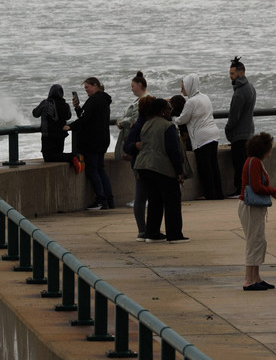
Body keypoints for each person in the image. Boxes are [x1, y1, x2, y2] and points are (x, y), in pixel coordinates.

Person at [133, 97, 187, 243]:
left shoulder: (146, 124)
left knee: (154, 200)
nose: (171, 111)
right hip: (161, 167)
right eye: (169, 108)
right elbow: (172, 150)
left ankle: (152, 233)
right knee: (172, 200)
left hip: (143, 166)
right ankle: (174, 235)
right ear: (162, 111)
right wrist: (179, 172)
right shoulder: (167, 126)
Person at [239, 132, 276, 290]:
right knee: (254, 241)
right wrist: (273, 191)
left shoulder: (252, 161)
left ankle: (255, 277)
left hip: (250, 206)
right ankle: (248, 280)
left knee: (258, 240)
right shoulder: (255, 162)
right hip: (251, 207)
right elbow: (257, 187)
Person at [65, 77, 114, 210]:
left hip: (92, 141)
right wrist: (77, 107)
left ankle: (100, 200)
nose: (86, 90)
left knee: (93, 170)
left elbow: (84, 119)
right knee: (100, 169)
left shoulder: (94, 100)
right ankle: (109, 200)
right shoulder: (104, 100)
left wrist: (70, 127)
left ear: (95, 85)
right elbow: (87, 116)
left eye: (87, 87)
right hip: (103, 139)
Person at [175, 74, 224, 200]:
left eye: (183, 87)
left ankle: (210, 194)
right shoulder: (205, 97)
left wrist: (172, 119)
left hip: (202, 138)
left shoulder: (191, 102)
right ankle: (218, 193)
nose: (181, 90)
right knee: (214, 166)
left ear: (189, 86)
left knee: (205, 167)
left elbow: (182, 119)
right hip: (213, 134)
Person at [115, 71, 150, 232]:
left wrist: (122, 122)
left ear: (140, 85)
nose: (131, 89)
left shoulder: (143, 102)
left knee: (140, 182)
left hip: (137, 148)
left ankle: (143, 228)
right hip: (134, 146)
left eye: (133, 86)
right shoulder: (140, 101)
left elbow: (134, 119)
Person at [226, 57, 257, 196]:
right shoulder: (251, 88)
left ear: (241, 73)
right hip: (249, 131)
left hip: (239, 135)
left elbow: (234, 117)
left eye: (232, 74)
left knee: (239, 165)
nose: (230, 77)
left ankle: (240, 190)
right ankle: (246, 189)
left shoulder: (239, 93)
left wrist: (228, 129)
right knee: (245, 164)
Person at [32, 84, 73, 163]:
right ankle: (73, 157)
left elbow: (35, 114)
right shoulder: (65, 105)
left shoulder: (46, 103)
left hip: (48, 136)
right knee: (58, 155)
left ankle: (73, 156)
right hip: (61, 135)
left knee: (48, 158)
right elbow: (68, 116)